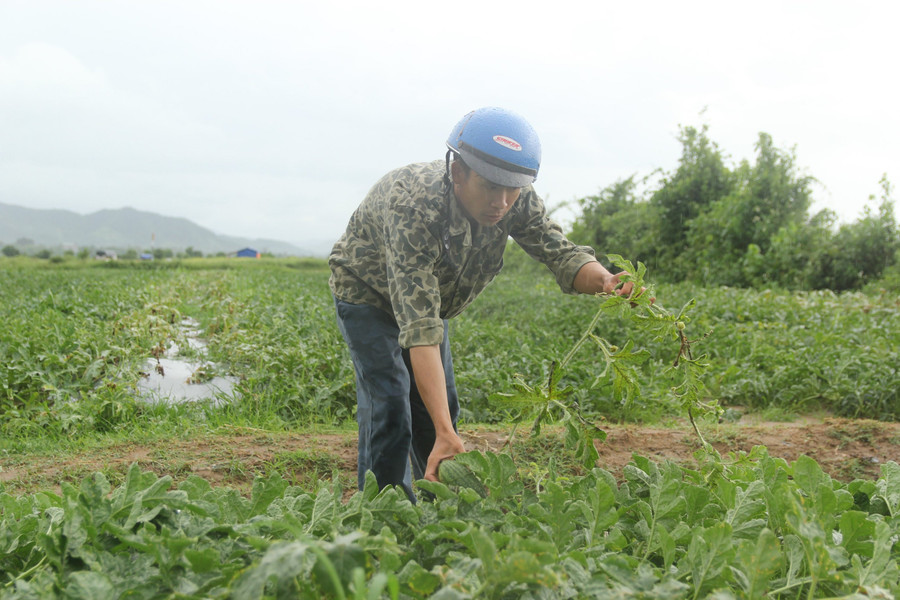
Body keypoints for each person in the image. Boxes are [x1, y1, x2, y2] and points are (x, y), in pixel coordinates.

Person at [329, 107, 641, 502]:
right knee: (391, 402)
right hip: (367, 293)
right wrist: (447, 430)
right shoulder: (414, 206)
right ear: (458, 172)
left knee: (438, 412)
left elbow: (559, 252)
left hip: (430, 303)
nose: (503, 200)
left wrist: (606, 280)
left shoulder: (515, 198)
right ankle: (381, 515)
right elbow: (420, 327)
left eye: (513, 188)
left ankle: (436, 508)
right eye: (492, 186)